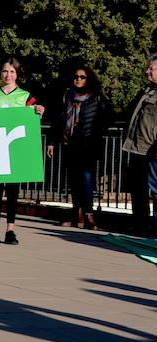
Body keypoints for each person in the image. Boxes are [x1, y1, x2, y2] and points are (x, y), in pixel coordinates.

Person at [0, 56, 44, 244]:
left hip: (15, 149)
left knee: (13, 190)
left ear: (17, 74)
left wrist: (38, 110)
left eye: (12, 71)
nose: (8, 74)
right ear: (0, 73)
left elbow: (31, 118)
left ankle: (11, 230)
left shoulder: (25, 96)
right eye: (5, 71)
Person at [49, 65, 112, 230]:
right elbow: (58, 119)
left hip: (88, 145)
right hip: (69, 143)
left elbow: (105, 119)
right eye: (76, 76)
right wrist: (52, 141)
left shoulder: (96, 97)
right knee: (73, 181)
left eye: (82, 77)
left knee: (86, 180)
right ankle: (76, 215)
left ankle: (89, 214)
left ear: (88, 79)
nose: (78, 79)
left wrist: (95, 135)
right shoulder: (67, 96)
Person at [120, 55, 157, 236]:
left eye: (151, 69)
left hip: (153, 151)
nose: (147, 71)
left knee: (156, 191)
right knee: (138, 190)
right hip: (137, 148)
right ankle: (141, 225)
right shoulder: (146, 91)